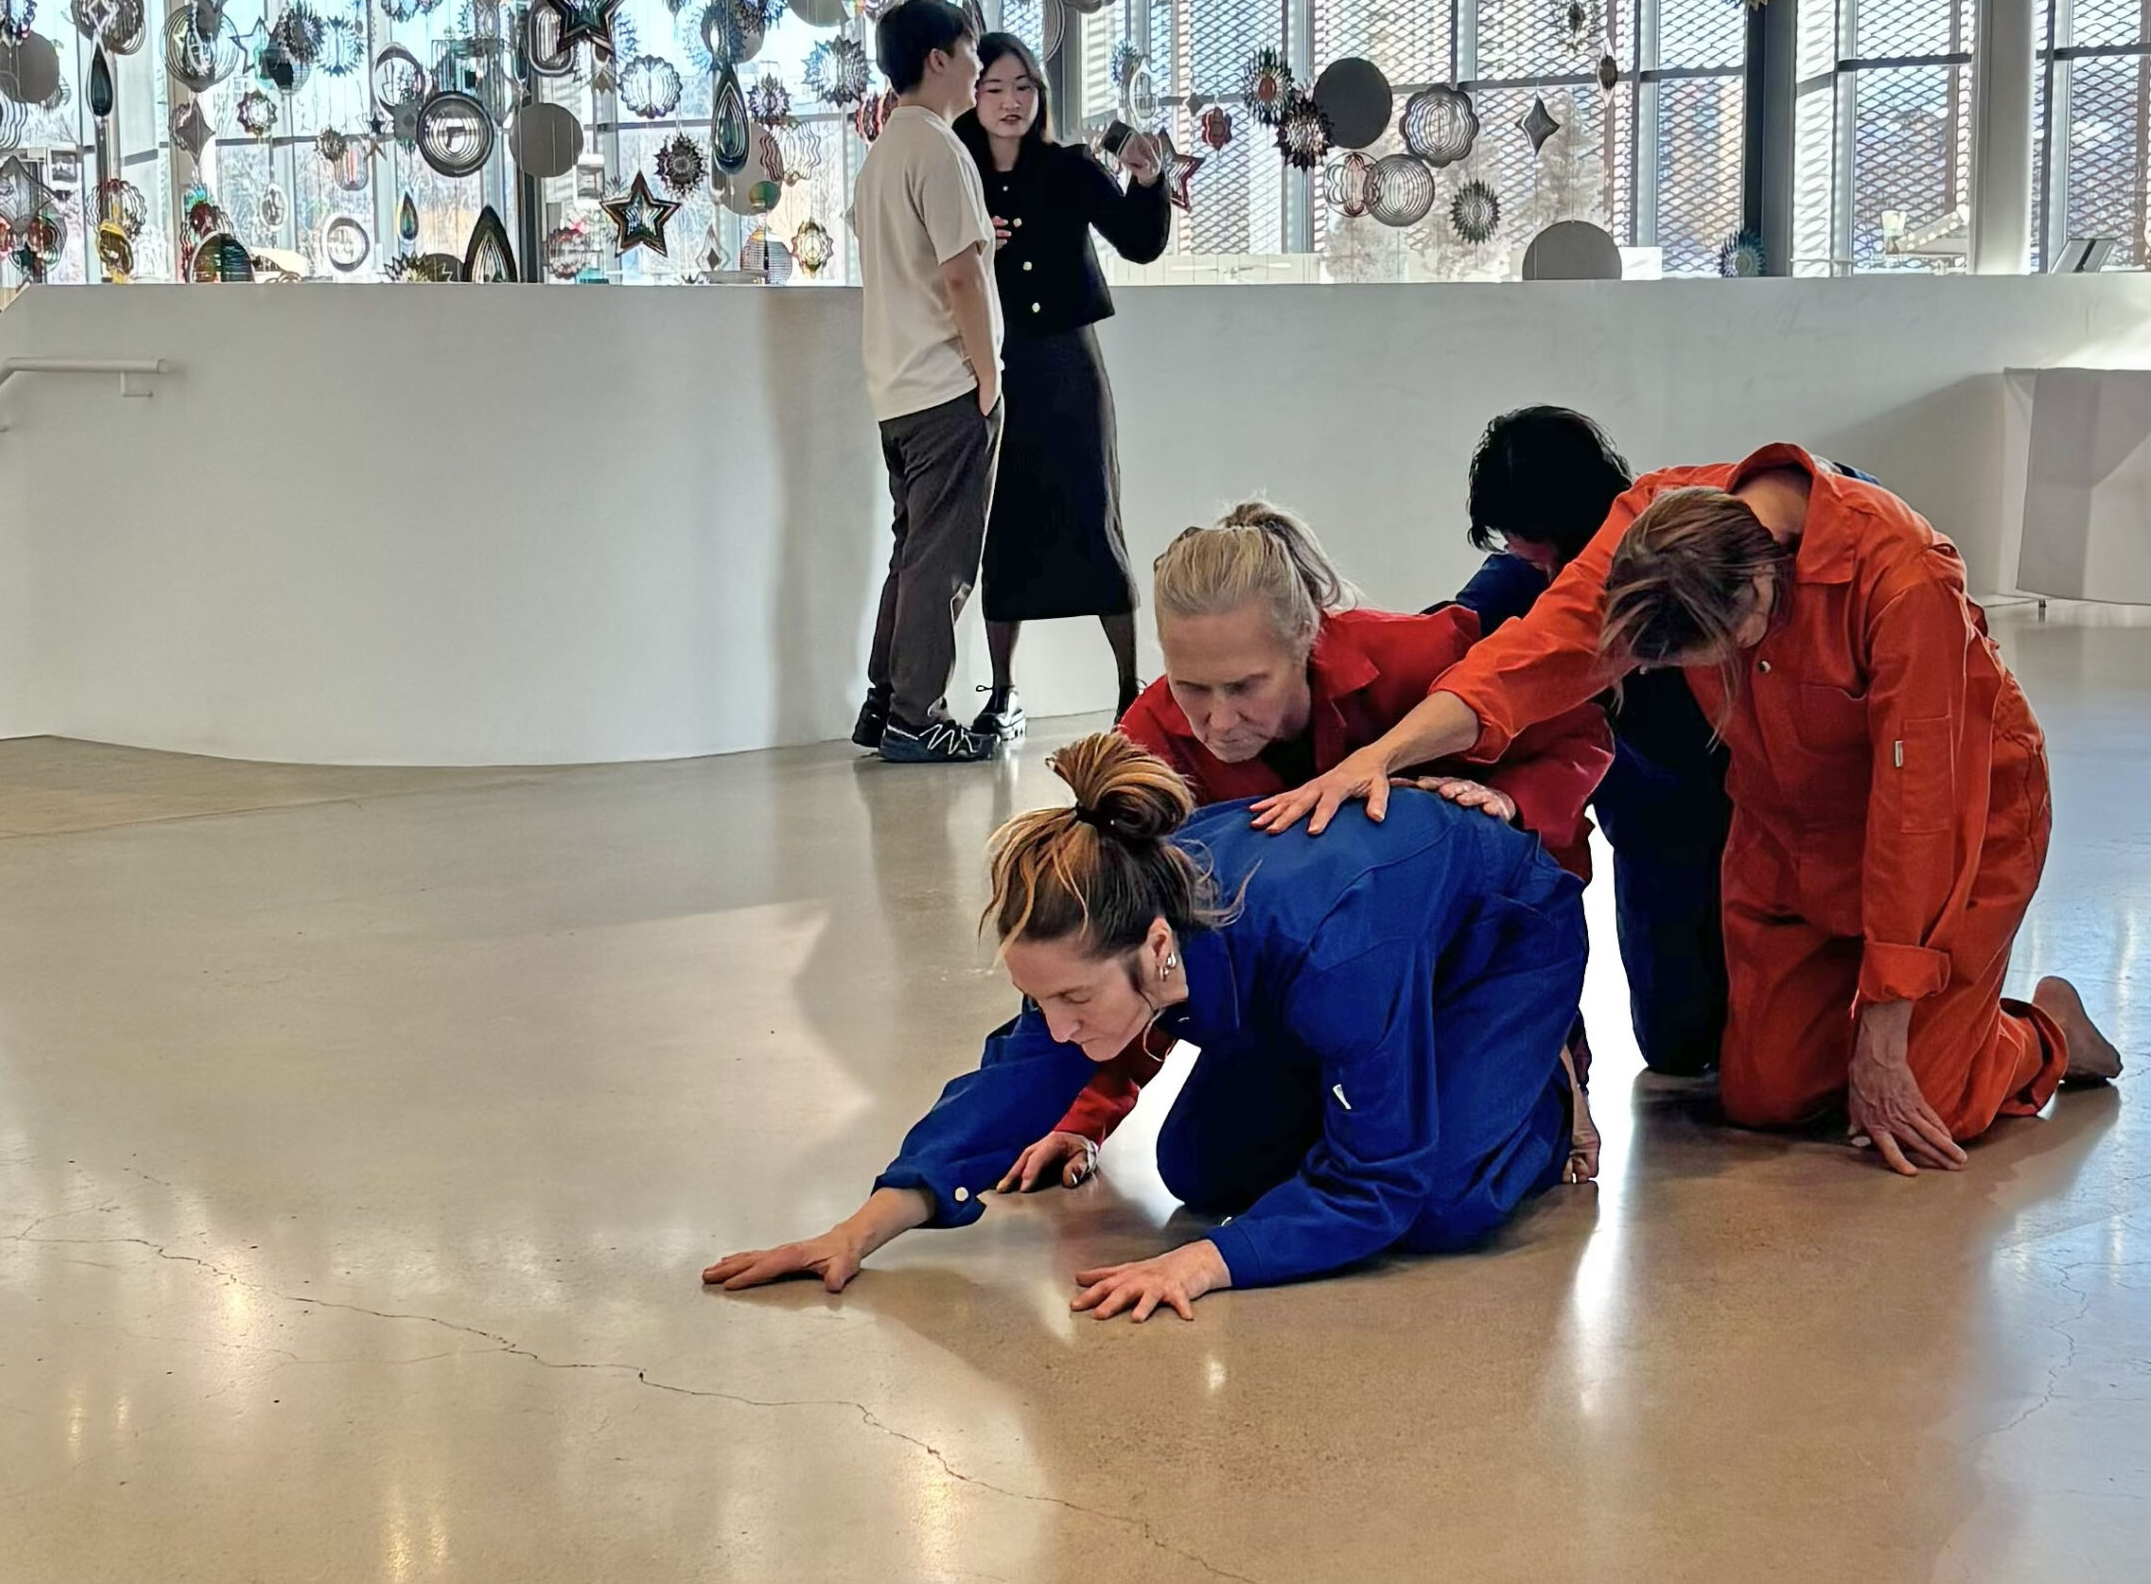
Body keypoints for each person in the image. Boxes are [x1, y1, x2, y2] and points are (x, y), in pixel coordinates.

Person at [1261, 445, 2124, 1175]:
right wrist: (1380, 756)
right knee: (1765, 1098)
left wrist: (1890, 1028)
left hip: (1964, 825)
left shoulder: (1901, 578)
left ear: (1761, 585)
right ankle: (1907, 1031)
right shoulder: (1659, 527)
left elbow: (1923, 811)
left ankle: (2048, 1030)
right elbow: (1535, 654)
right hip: (1790, 826)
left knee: (1931, 1099)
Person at [703, 733, 1590, 1320]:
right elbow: (1014, 1081)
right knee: (1202, 1168)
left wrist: (1204, 1264)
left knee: (1431, 1200)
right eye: (1042, 1000)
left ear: (1159, 949)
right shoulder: (1114, 910)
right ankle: (1389, 1082)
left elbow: (1379, 1184)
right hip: (1353, 964)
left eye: (1075, 1003)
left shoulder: (1333, 954)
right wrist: (856, 1230)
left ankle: (1542, 1100)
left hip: (1495, 941)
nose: (1057, 1026)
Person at [1002, 500, 1613, 1184]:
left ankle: (1548, 1087)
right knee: (1203, 1170)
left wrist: (1513, 802)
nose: (1215, 719)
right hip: (1307, 987)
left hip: (1464, 957)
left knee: (1441, 1188)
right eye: (1190, 687)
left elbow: (1578, 738)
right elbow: (1127, 945)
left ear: (1304, 639)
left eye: (1244, 686)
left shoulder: (1420, 656)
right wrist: (1082, 1117)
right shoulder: (1152, 743)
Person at [1451, 407, 1732, 1076]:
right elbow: (1443, 637)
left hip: (1743, 821)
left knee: (1771, 1045)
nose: (1518, 551)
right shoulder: (1520, 578)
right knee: (1678, 1044)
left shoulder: (1667, 561)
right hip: (1650, 836)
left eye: (1525, 536)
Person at [952, 33, 1170, 740]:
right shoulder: (954, 169)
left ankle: (1128, 692)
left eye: (1024, 87)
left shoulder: (1070, 167)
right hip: (992, 365)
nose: (1011, 102)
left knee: (1095, 521)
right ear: (971, 96)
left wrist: (1145, 179)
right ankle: (1004, 692)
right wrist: (977, 241)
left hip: (1070, 371)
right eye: (993, 88)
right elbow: (920, 253)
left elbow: (1139, 241)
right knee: (1004, 528)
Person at [847, 0, 1004, 764]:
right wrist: (987, 376)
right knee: (943, 558)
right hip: (944, 386)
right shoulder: (940, 151)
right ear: (938, 59)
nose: (979, 70)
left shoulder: (883, 154)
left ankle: (885, 702)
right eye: (970, 53)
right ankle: (917, 715)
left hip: (896, 390)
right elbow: (961, 276)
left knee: (912, 552)